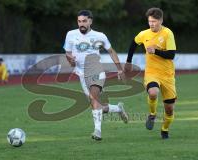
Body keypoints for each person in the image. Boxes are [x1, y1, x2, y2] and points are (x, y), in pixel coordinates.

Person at [64, 10, 128, 141]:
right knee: (96, 105)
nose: (81, 24)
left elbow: (111, 51)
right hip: (82, 73)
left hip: (96, 70)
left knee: (93, 98)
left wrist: (120, 70)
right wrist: (70, 60)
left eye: (84, 21)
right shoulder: (70, 35)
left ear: (90, 21)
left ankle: (97, 131)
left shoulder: (100, 36)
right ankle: (118, 109)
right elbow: (68, 56)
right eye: (79, 21)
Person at [125, 8, 177, 139]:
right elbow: (133, 43)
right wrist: (128, 61)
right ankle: (152, 114)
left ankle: (165, 129)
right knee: (153, 92)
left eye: (154, 21)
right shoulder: (144, 34)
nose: (151, 24)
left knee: (169, 109)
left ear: (161, 20)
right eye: (149, 21)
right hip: (151, 72)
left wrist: (156, 51)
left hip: (167, 75)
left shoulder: (167, 33)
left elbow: (171, 55)